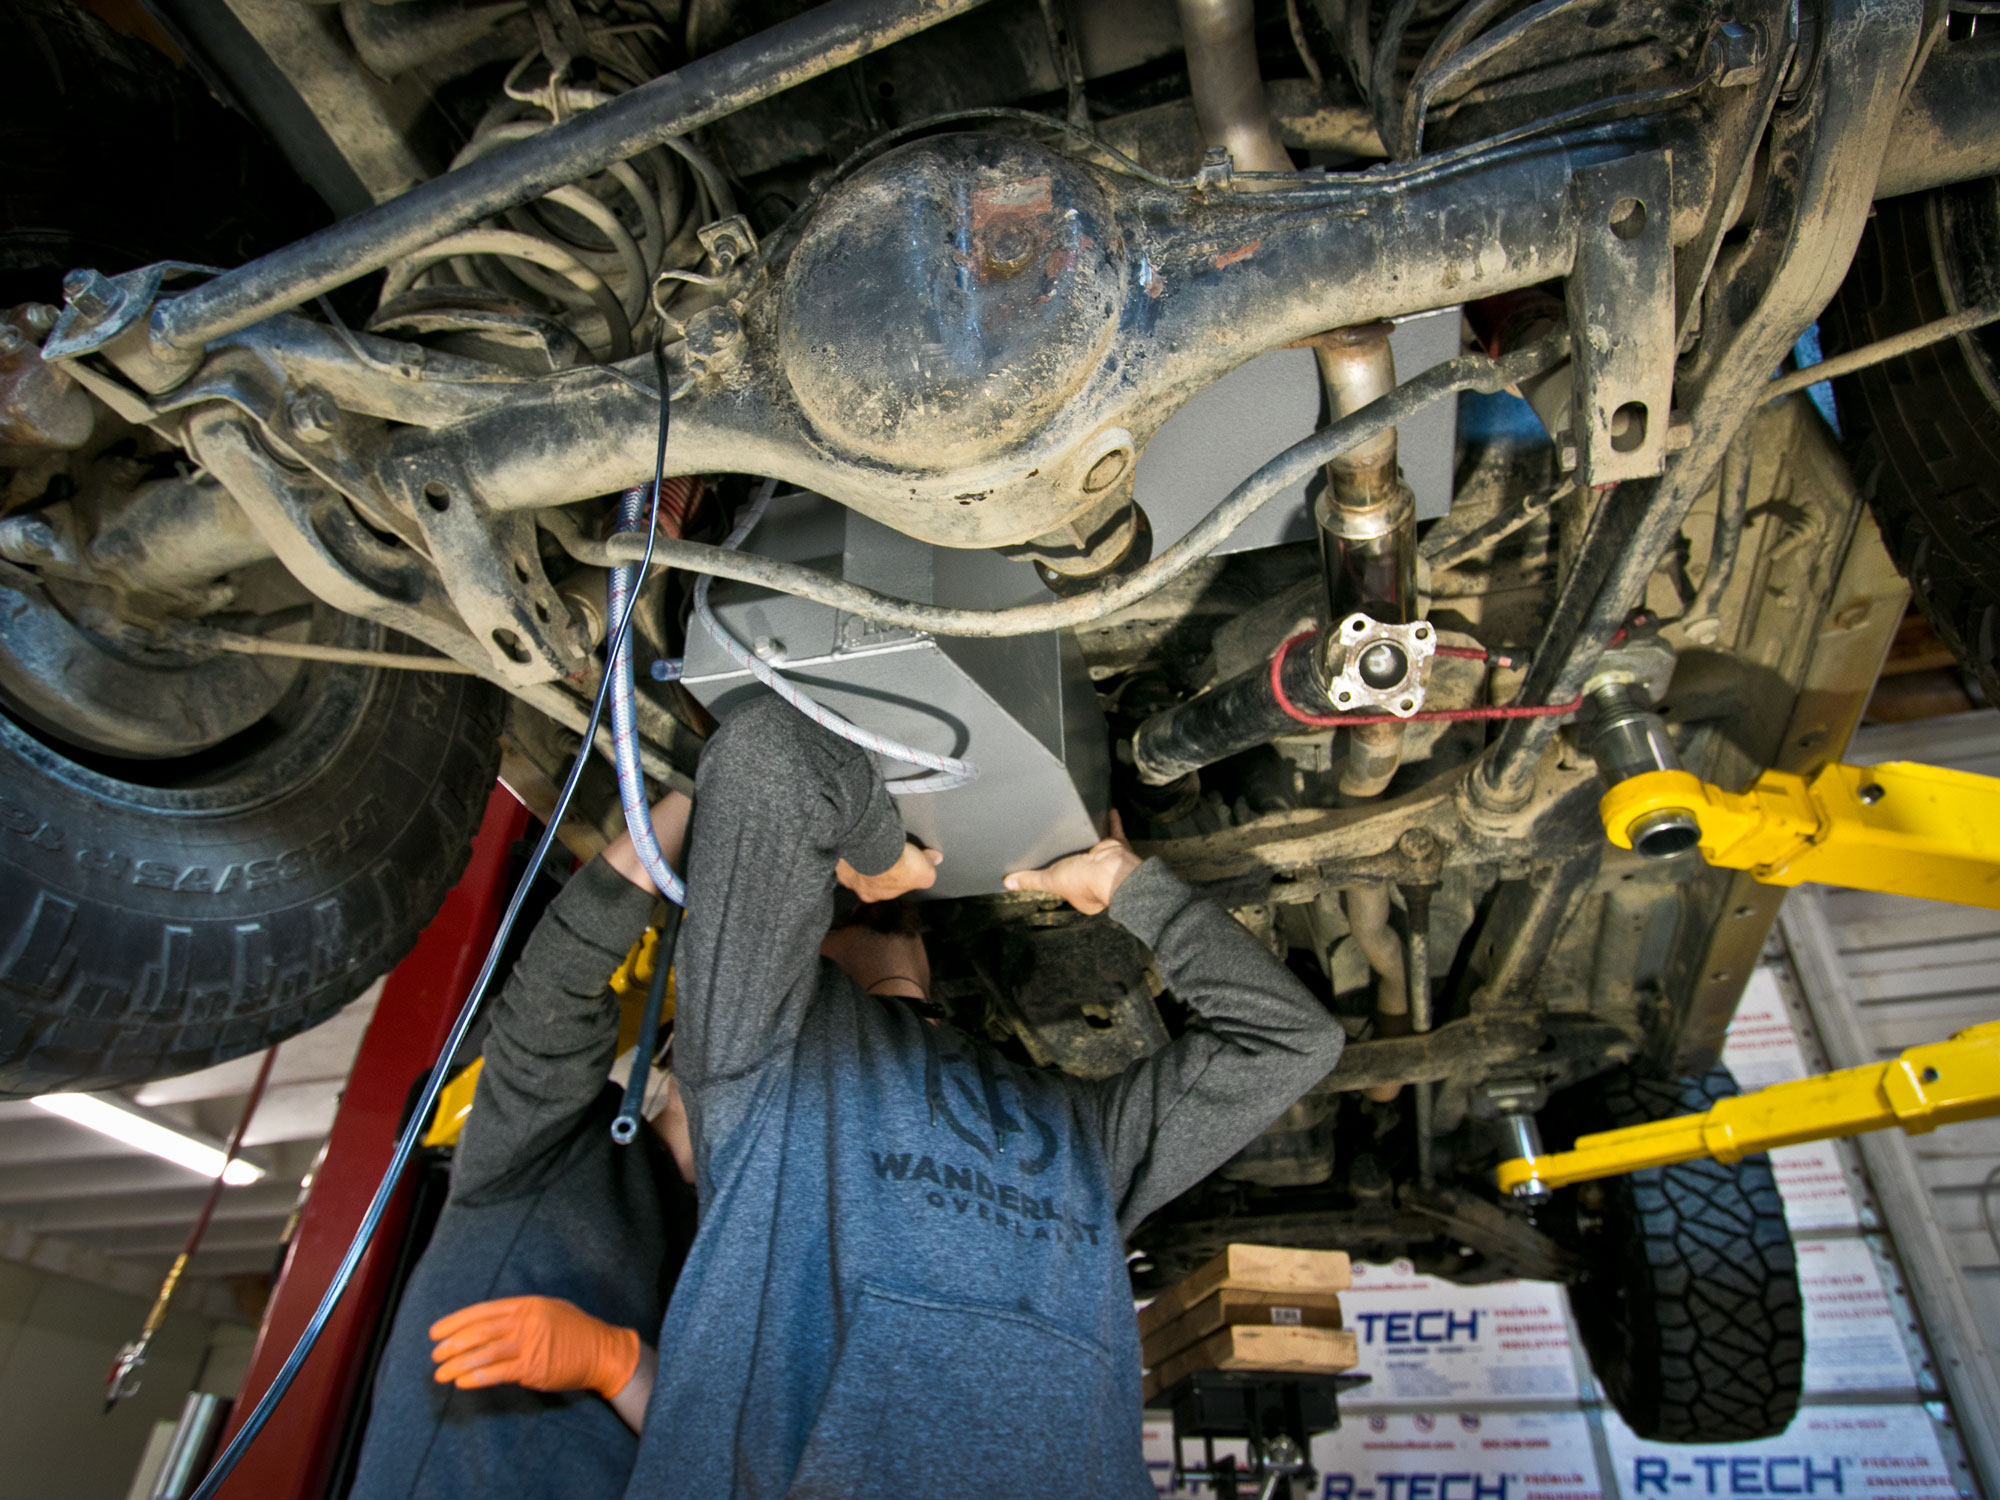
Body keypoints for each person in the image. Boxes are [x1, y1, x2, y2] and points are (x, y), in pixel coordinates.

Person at [613, 694, 1347, 1498]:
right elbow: (1289, 1044)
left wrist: (871, 842)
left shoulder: (755, 1068)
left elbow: (762, 751)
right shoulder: (1080, 1141)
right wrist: (1126, 885)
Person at [346, 800, 701, 1499]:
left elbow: (551, 996)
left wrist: (688, 800)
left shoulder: (529, 1163)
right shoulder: (750, 1236)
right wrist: (621, 1367)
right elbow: (744, 1465)